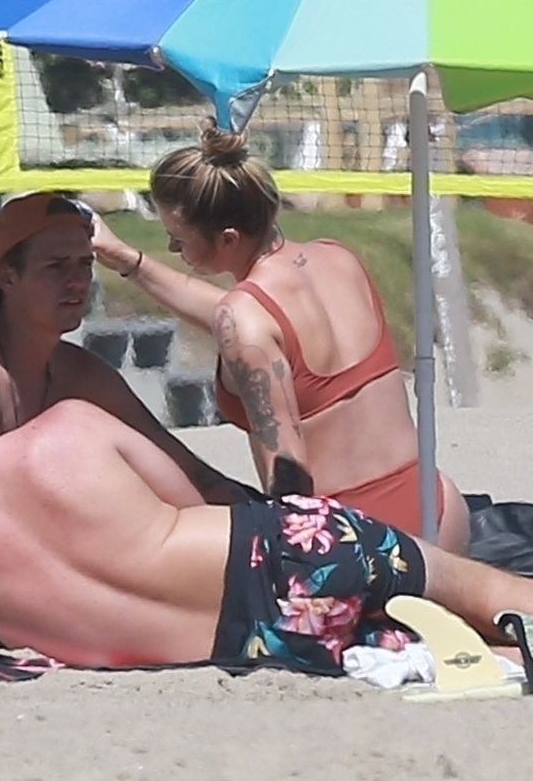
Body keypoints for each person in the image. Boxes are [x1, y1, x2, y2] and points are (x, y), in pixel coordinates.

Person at [0, 323, 533, 666]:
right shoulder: (71, 429)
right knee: (488, 592)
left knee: (457, 644)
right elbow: (209, 513)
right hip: (286, 556)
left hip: (249, 647)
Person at [92, 127, 472, 552]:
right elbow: (250, 321)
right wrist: (128, 261)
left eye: (178, 240)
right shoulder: (337, 257)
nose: (171, 248)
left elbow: (289, 472)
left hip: (354, 534)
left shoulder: (245, 318)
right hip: (435, 506)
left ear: (228, 239)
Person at [0, 197, 253, 506]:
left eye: (84, 265)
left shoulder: (79, 373)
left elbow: (183, 469)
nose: (77, 282)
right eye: (56, 266)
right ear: (7, 277)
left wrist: (263, 516)